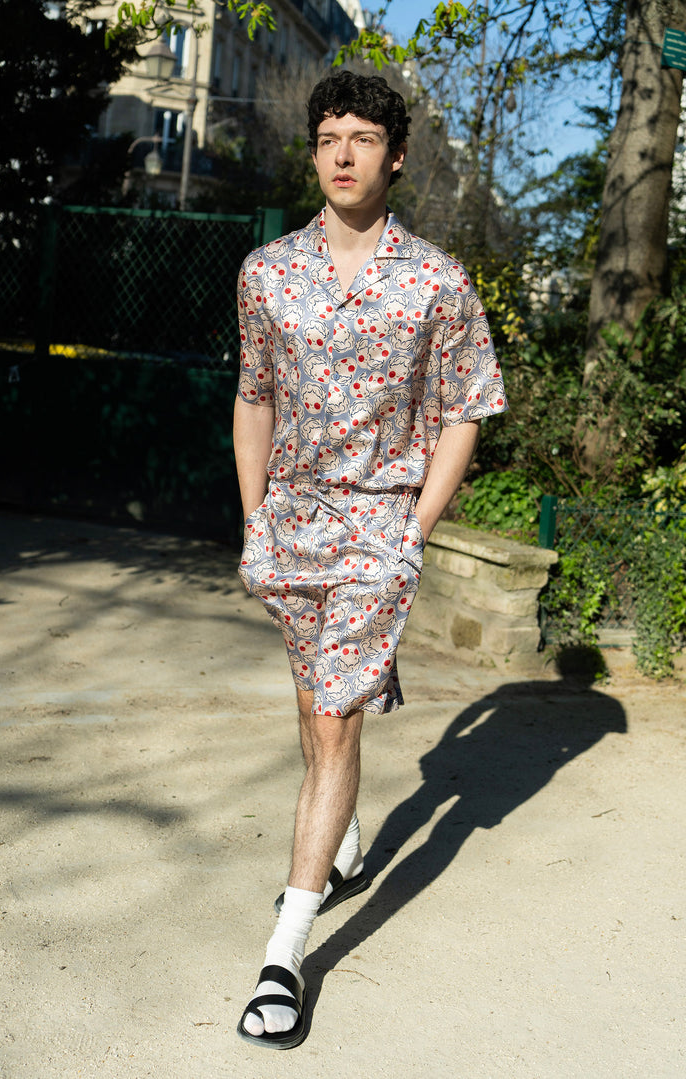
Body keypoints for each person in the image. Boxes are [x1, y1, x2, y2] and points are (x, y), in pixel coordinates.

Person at [233, 69, 508, 1049]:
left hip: (377, 524)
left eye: (362, 138)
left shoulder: (438, 281)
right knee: (317, 708)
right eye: (327, 138)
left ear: (395, 157)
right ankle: (341, 841)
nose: (342, 154)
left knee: (335, 720)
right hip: (292, 523)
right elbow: (255, 397)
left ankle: (285, 954)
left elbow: (467, 408)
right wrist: (255, 520)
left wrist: (412, 530)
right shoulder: (267, 272)